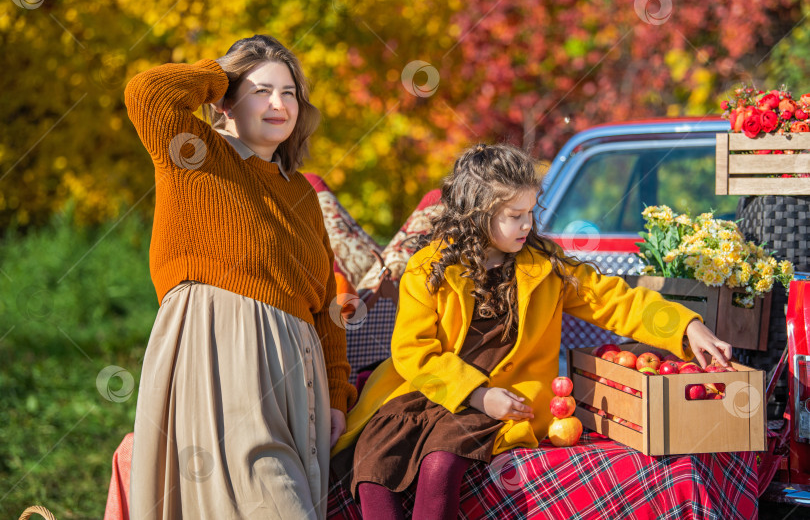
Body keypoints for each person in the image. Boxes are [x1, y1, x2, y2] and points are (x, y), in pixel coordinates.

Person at [330, 143, 732, 519]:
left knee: (440, 463)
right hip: (428, 390)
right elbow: (413, 352)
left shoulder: (546, 265)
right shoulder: (426, 269)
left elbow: (614, 300)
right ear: (477, 213)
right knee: (373, 464)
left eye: (530, 211)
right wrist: (476, 393)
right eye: (514, 215)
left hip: (507, 399)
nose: (527, 224)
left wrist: (687, 325)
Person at [124, 34, 356, 519]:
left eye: (289, 92)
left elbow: (326, 305)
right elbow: (148, 93)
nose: (279, 103)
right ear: (228, 101)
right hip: (220, 357)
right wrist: (222, 76)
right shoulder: (194, 154)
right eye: (261, 90)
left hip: (298, 379)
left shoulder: (303, 197)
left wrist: (336, 394)